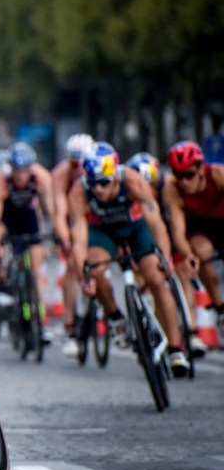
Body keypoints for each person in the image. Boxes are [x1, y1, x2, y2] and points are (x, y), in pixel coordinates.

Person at [66, 141, 190, 376]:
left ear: (114, 175)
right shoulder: (79, 192)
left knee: (155, 279)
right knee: (95, 269)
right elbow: (79, 239)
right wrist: (85, 274)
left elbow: (156, 224)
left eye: (103, 183)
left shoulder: (133, 181)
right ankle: (115, 317)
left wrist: (164, 255)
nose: (98, 190)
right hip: (103, 232)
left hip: (135, 228)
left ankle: (176, 349)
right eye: (93, 184)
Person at [0, 142, 57, 339]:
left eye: (25, 170)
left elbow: (51, 210)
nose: (21, 175)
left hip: (29, 219)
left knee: (35, 272)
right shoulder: (2, 182)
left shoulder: (41, 177)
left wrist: (55, 236)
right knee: (3, 250)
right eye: (17, 171)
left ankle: (40, 321)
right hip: (9, 219)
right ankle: (8, 283)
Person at [161, 140, 224, 335]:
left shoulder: (218, 175)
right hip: (198, 227)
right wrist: (188, 256)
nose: (184, 182)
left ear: (200, 169)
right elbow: (178, 231)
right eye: (178, 175)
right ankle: (219, 306)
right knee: (201, 251)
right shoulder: (172, 190)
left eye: (188, 175)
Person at [52, 133, 93, 357]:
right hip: (72, 218)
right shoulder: (60, 174)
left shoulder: (99, 169)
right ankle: (69, 322)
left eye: (82, 164)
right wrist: (66, 238)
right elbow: (59, 211)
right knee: (71, 265)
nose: (78, 169)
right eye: (73, 163)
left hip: (93, 217)